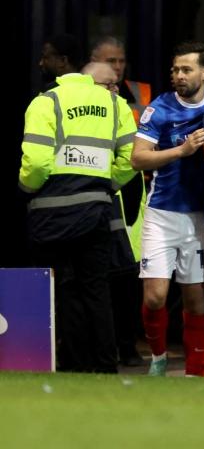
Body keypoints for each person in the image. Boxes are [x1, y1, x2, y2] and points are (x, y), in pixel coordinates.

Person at [19, 61, 137, 372]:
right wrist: (104, 185)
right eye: (110, 83)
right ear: (93, 81)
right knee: (96, 288)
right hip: (95, 210)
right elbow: (131, 159)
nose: (114, 88)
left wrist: (27, 187)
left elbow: (36, 160)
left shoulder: (47, 102)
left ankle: (73, 364)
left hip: (50, 212)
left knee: (64, 290)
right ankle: (106, 365)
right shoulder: (115, 105)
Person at [132, 41, 204, 377]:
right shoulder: (160, 108)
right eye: (175, 70)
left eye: (186, 70)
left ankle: (199, 369)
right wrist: (180, 151)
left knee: (196, 298)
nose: (177, 76)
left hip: (200, 216)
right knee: (155, 296)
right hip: (162, 214)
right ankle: (157, 359)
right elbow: (138, 157)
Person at [91, 35, 151, 366]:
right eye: (110, 61)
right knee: (100, 276)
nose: (117, 67)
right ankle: (102, 345)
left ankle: (128, 345)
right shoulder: (85, 96)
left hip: (132, 191)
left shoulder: (142, 93)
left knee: (129, 276)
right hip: (97, 188)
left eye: (121, 60)